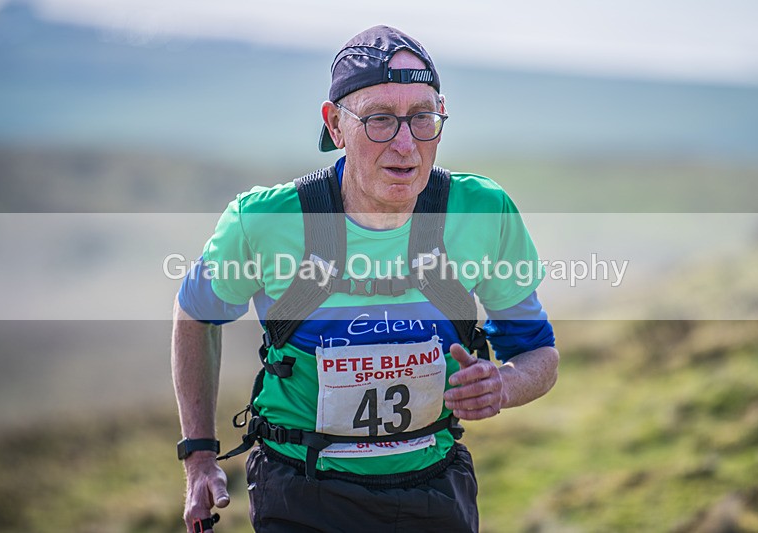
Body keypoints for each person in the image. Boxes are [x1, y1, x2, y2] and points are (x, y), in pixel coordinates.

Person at [172, 25, 559, 533]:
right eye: (379, 119)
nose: (406, 144)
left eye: (424, 118)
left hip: (435, 490)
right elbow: (196, 316)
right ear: (335, 125)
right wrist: (199, 455)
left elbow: (540, 354)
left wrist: (503, 386)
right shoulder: (264, 221)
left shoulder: (483, 212)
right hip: (299, 492)